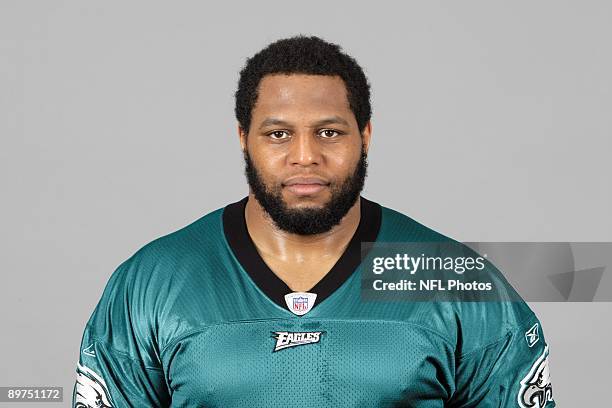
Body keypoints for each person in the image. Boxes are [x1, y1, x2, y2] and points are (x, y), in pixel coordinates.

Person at [72, 35, 554, 407]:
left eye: (329, 132)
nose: (306, 156)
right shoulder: (153, 281)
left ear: (365, 135)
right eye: (279, 133)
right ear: (243, 138)